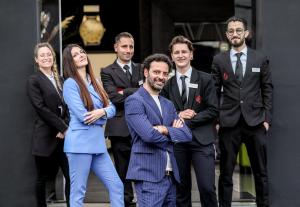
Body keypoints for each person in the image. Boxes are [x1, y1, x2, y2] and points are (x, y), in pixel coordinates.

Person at [211, 16, 273, 207]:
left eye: (239, 30)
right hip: (229, 123)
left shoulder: (259, 58)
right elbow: (213, 90)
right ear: (227, 35)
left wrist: (266, 118)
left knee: (260, 172)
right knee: (226, 173)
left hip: (255, 122)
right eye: (231, 31)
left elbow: (267, 89)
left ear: (246, 33)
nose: (235, 34)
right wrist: (217, 118)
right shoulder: (219, 60)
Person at [125, 53, 193, 207]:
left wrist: (164, 129)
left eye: (164, 73)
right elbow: (148, 135)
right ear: (146, 72)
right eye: (156, 72)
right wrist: (173, 134)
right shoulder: (135, 101)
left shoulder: (167, 104)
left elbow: (187, 134)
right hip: (149, 175)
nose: (161, 77)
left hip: (170, 176)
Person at [62, 44, 124, 207]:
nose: (81, 55)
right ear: (70, 61)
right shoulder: (70, 84)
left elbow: (111, 107)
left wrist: (101, 113)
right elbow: (83, 117)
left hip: (98, 145)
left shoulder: (95, 81)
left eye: (82, 52)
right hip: (79, 145)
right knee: (79, 192)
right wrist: (103, 115)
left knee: (117, 186)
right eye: (75, 54)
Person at [160, 35, 219, 207]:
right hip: (178, 143)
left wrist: (188, 119)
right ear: (171, 56)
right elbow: (163, 113)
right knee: (181, 189)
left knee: (207, 188)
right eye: (176, 52)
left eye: (184, 52)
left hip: (202, 141)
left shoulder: (206, 79)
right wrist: (179, 115)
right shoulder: (167, 85)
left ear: (191, 54)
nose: (180, 55)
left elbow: (213, 110)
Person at [101, 32, 144, 206]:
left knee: (143, 166)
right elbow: (113, 97)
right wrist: (136, 91)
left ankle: (144, 200)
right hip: (119, 128)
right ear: (116, 47)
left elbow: (148, 93)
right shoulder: (106, 72)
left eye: (131, 46)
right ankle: (126, 201)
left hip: (142, 126)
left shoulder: (143, 68)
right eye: (124, 46)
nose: (128, 50)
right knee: (122, 169)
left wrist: (123, 91)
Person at [27, 42, 70, 207]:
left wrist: (64, 126)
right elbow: (40, 108)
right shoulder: (34, 80)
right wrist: (62, 127)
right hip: (45, 137)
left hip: (63, 138)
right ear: (36, 60)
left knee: (69, 174)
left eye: (49, 54)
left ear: (53, 57)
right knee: (42, 178)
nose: (46, 57)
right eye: (42, 55)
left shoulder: (62, 79)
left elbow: (69, 107)